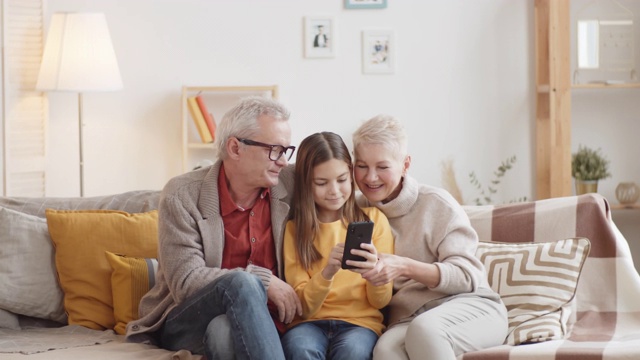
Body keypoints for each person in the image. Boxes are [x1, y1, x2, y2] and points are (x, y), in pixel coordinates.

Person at [126, 96, 303, 360]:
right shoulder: (182, 194)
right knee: (242, 283)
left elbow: (344, 194)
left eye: (287, 150)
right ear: (235, 148)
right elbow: (185, 281)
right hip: (188, 317)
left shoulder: (288, 181)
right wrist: (262, 280)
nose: (283, 161)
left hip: (261, 321)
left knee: (223, 333)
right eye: (275, 150)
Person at [351, 115, 509, 360]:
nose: (370, 177)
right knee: (384, 351)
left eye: (382, 167)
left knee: (425, 330)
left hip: (470, 306)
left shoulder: (437, 204)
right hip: (408, 320)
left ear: (405, 164)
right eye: (362, 166)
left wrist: (403, 266)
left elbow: (467, 277)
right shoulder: (355, 211)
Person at [281, 132, 394, 360]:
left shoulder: (373, 221)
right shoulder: (295, 230)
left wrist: (374, 274)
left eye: (342, 180)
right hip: (309, 323)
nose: (334, 191)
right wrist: (327, 273)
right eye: (322, 183)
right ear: (306, 184)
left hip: (360, 324)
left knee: (352, 352)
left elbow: (381, 301)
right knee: (300, 348)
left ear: (351, 176)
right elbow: (303, 306)